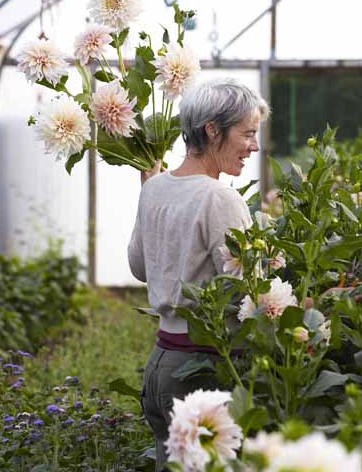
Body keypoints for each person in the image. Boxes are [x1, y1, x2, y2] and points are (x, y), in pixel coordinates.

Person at [128, 77, 270, 470]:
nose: (254, 147)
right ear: (212, 130)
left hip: (160, 366)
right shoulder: (219, 197)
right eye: (248, 134)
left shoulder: (154, 187)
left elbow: (140, 268)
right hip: (201, 369)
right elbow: (250, 289)